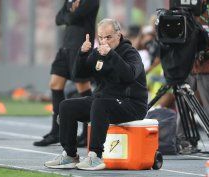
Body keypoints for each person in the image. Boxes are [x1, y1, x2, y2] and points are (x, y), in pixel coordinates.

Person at [44, 19, 148, 170]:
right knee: (66, 106)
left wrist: (111, 55)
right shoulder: (97, 53)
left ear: (119, 35)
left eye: (108, 37)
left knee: (100, 103)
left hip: (131, 104)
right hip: (104, 102)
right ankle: (70, 155)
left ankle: (95, 156)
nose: (104, 41)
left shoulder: (131, 53)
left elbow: (129, 75)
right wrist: (82, 54)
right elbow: (78, 74)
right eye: (101, 37)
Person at [33, 0, 99, 147]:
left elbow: (72, 18)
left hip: (80, 47)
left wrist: (68, 13)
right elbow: (58, 18)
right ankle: (57, 131)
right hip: (65, 47)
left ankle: (88, 132)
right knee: (55, 84)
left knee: (83, 87)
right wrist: (70, 11)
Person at [177, 0, 209, 153]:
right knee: (184, 106)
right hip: (186, 67)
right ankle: (182, 140)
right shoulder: (183, 16)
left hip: (207, 67)